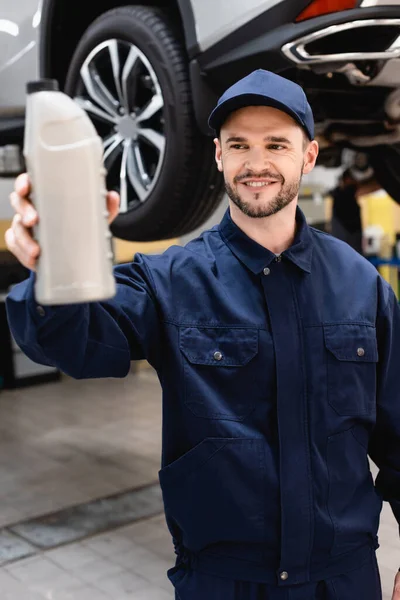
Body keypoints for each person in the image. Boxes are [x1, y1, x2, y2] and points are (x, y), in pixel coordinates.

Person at [4, 69, 400, 600]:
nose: (256, 163)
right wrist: (49, 272)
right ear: (218, 155)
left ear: (307, 157)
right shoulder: (168, 280)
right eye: (239, 144)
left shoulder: (361, 284)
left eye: (276, 144)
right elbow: (73, 339)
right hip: (222, 582)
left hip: (344, 579)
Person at [330, 168, 381, 255]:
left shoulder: (338, 192)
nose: (357, 182)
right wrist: (385, 181)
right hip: (348, 234)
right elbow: (373, 187)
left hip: (344, 235)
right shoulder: (348, 191)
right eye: (354, 179)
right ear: (347, 179)